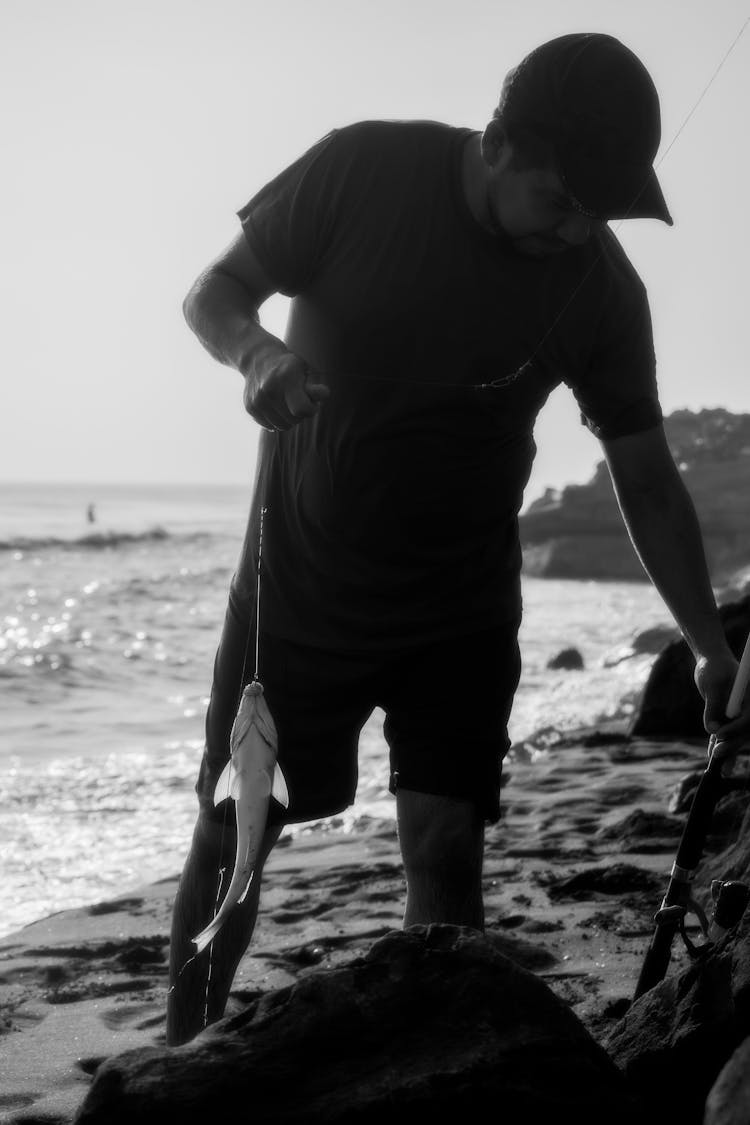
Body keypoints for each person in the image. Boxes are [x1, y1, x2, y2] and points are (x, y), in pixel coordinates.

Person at [166, 32, 750, 1045]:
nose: (577, 232)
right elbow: (211, 295)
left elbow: (647, 481)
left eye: (599, 214)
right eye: (561, 201)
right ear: (496, 145)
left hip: (461, 608)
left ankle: (443, 1077)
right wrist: (256, 351)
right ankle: (179, 1059)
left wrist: (706, 643)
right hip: (301, 590)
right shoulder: (359, 170)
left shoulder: (602, 291)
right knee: (232, 839)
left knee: (444, 847)